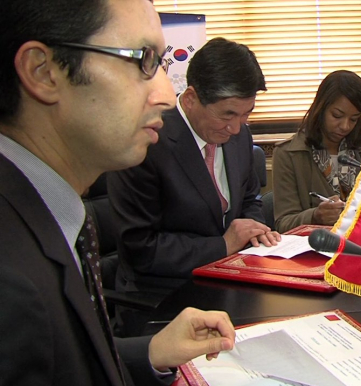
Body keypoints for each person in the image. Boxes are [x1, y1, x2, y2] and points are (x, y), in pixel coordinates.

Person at [0, 0, 237, 384]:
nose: (165, 93)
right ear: (43, 72)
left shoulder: (43, 213)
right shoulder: (11, 280)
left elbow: (65, 360)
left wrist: (153, 351)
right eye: (144, 59)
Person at [108, 38, 281, 297]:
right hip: (163, 293)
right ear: (190, 99)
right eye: (227, 114)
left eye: (246, 113)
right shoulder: (145, 142)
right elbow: (140, 248)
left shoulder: (239, 135)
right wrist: (222, 246)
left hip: (232, 280)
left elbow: (249, 198)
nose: (236, 128)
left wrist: (253, 231)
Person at [272, 70, 361, 233]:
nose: (345, 126)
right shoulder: (288, 154)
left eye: (353, 119)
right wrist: (315, 216)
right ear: (321, 109)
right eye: (337, 115)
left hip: (360, 245)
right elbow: (283, 224)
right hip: (315, 250)